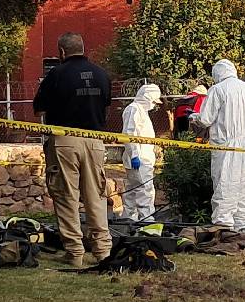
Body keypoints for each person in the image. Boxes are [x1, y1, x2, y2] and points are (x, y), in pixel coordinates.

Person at [32, 32, 113, 266]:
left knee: (66, 195)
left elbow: (39, 109)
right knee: (95, 196)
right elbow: (105, 105)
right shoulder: (101, 74)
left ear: (61, 52)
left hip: (64, 140)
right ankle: (102, 251)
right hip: (96, 141)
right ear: (83, 48)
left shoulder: (56, 74)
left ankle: (75, 252)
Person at [191, 60, 245, 232]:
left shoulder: (217, 90)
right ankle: (243, 223)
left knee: (225, 183)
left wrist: (193, 117)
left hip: (225, 144)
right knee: (244, 185)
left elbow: (206, 119)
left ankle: (223, 224)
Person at [121, 83, 162, 221]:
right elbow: (129, 133)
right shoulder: (134, 110)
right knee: (145, 191)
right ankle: (147, 221)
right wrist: (134, 156)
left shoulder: (140, 110)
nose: (154, 105)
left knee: (132, 191)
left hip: (142, 158)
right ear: (148, 97)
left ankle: (129, 220)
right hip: (139, 159)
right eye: (153, 101)